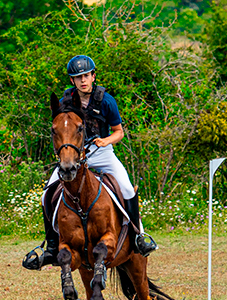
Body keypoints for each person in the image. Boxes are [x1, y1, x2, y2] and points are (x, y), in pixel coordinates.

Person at [22, 55, 157, 270]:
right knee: (46, 194)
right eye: (78, 77)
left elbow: (119, 132)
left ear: (93, 76)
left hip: (102, 153)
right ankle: (51, 246)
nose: (83, 80)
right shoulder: (67, 100)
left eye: (86, 75)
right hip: (74, 155)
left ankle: (140, 235)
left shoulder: (106, 101)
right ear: (72, 81)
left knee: (127, 188)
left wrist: (105, 141)